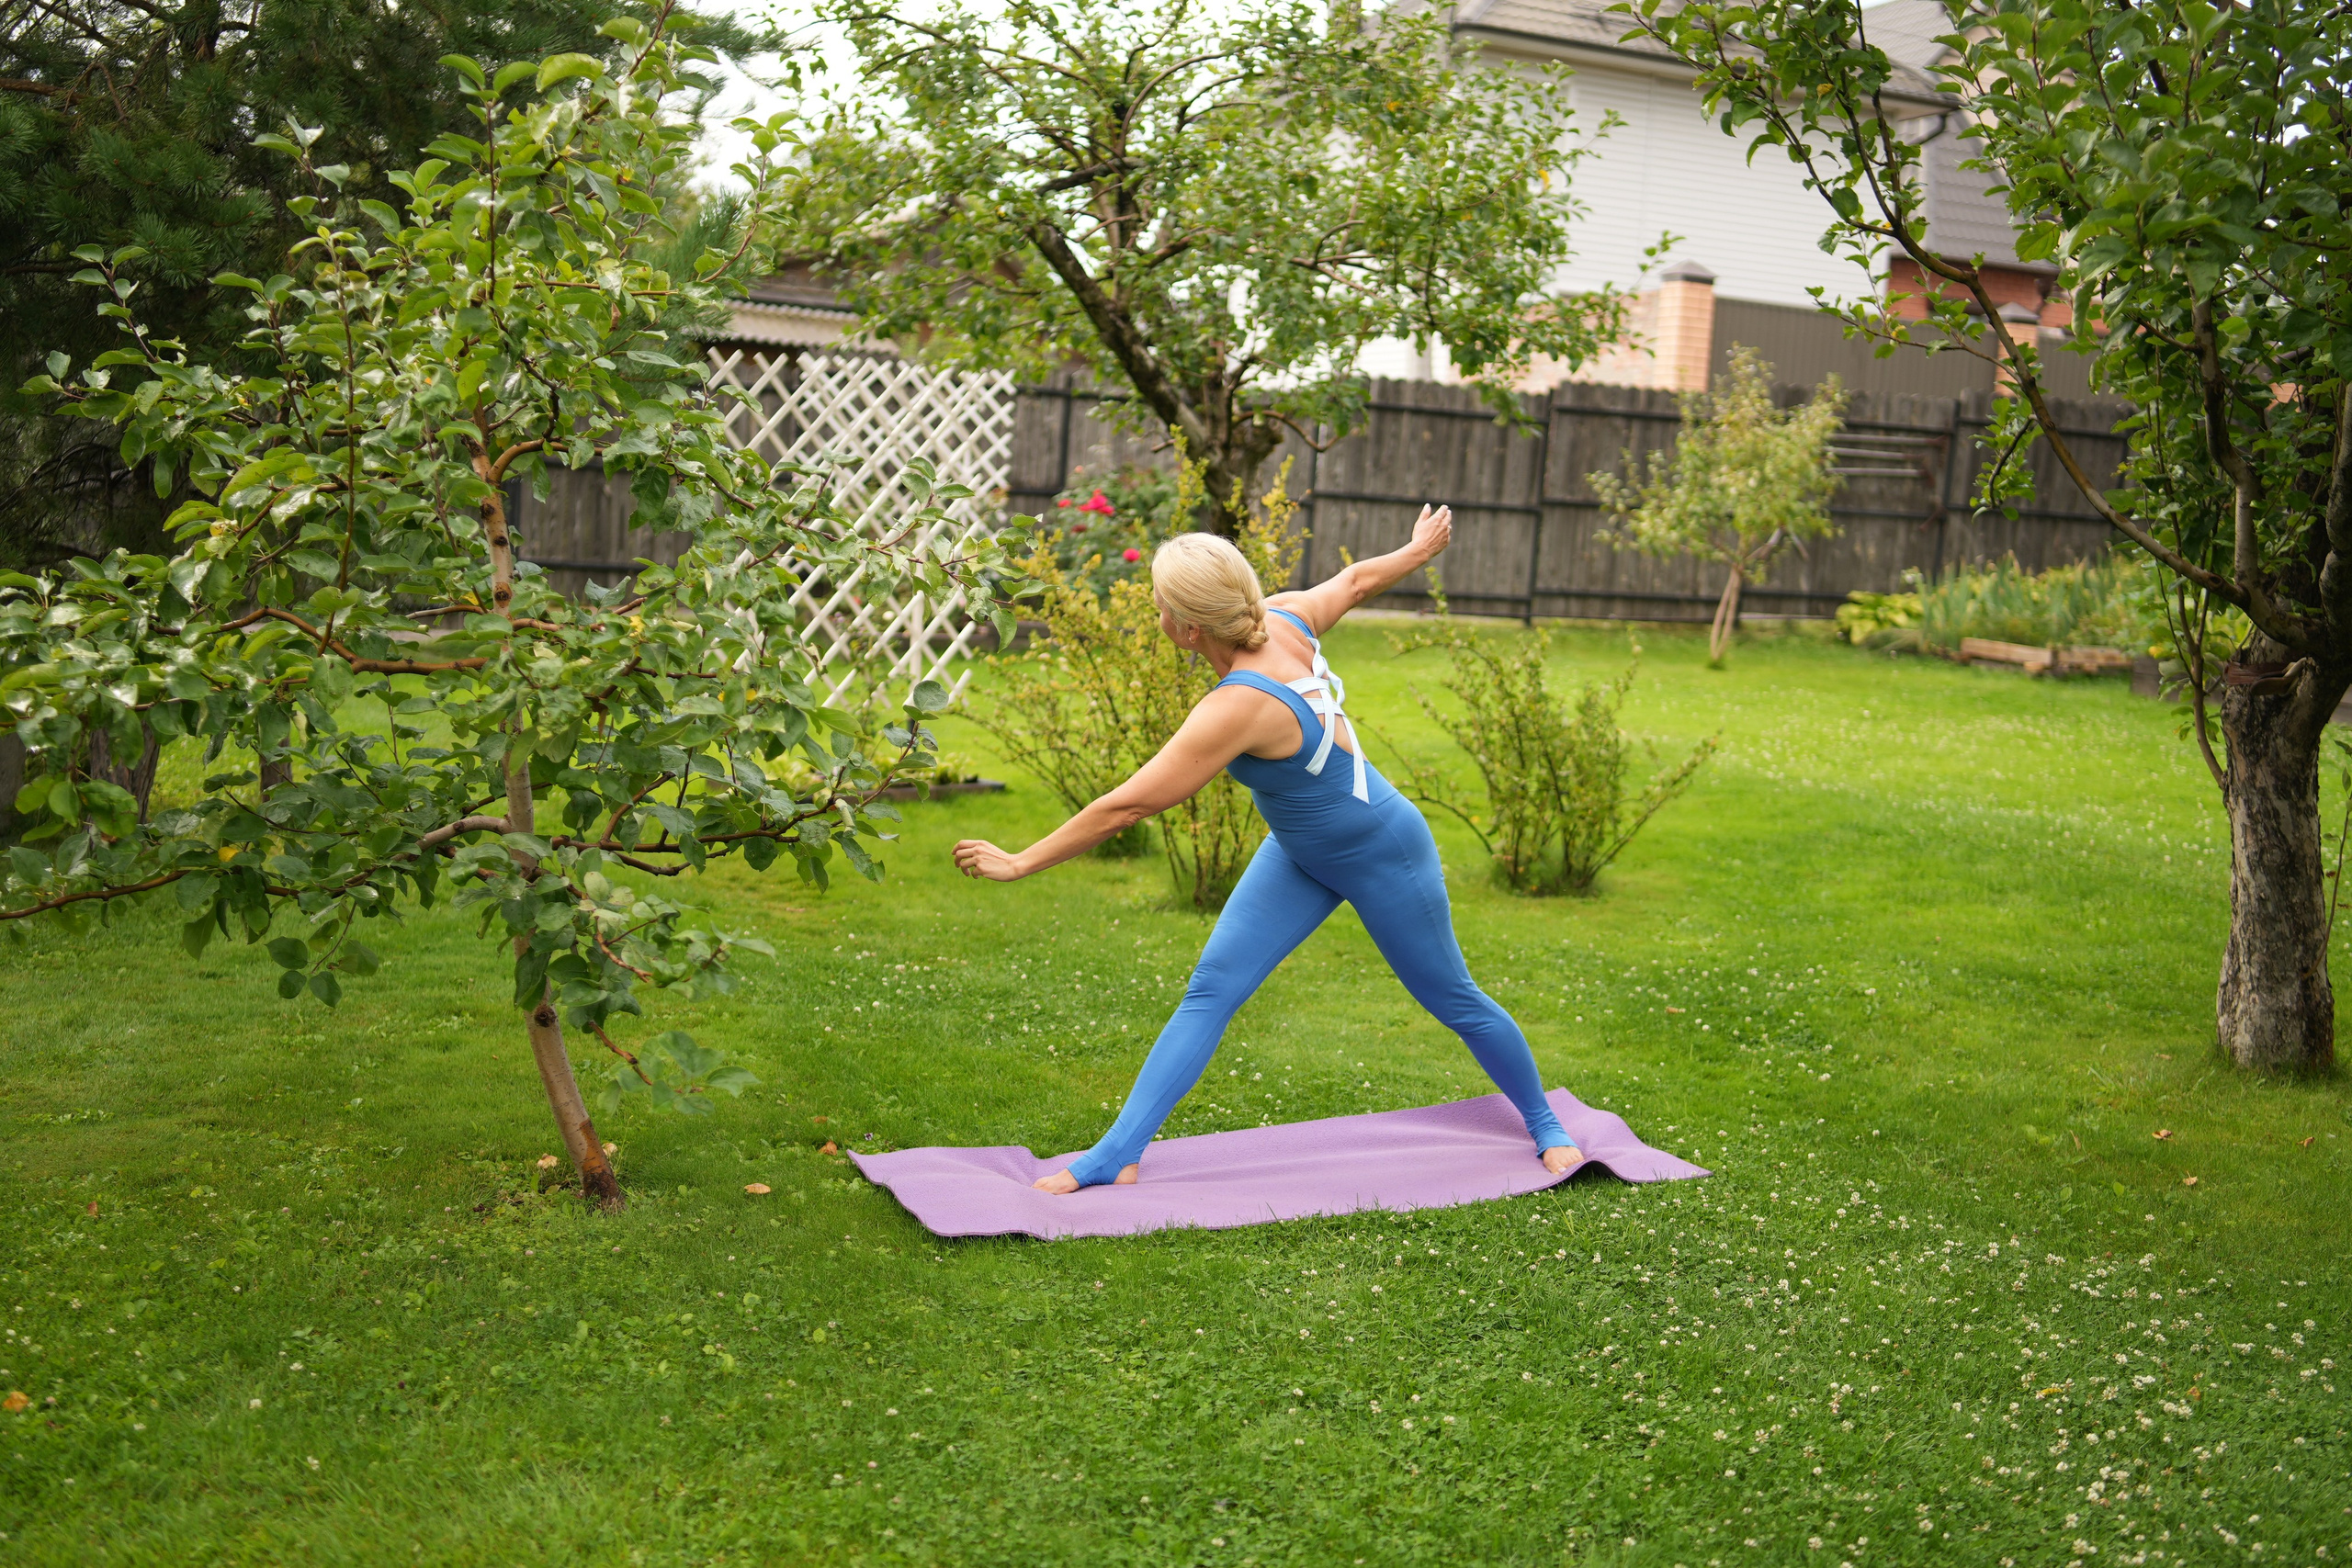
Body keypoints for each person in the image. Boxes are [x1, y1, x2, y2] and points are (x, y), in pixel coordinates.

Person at [952, 506, 1583, 1192]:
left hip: (1383, 852)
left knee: (1452, 996)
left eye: (1160, 606)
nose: (1155, 614)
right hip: (1299, 852)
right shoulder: (1281, 615)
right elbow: (1355, 582)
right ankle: (1116, 1153)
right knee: (1212, 988)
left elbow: (1129, 806)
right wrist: (1415, 550)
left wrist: (1021, 861)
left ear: (1190, 627)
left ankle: (1545, 1123)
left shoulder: (1239, 704)